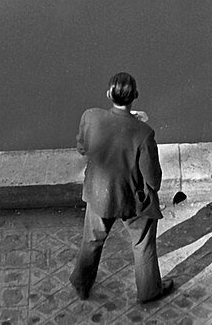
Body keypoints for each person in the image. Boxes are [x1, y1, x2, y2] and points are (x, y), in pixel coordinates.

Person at [69, 71, 174, 303]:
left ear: (108, 94)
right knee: (142, 244)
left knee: (92, 239)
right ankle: (149, 291)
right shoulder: (144, 134)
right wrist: (135, 123)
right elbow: (153, 180)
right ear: (135, 96)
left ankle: (81, 283)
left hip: (98, 194)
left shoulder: (90, 117)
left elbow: (83, 148)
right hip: (131, 201)